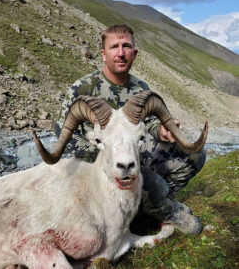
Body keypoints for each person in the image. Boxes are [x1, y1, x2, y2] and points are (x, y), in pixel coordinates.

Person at [55, 24, 206, 234]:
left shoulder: (140, 88)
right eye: (114, 47)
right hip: (97, 165)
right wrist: (104, 155)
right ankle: (157, 205)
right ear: (103, 53)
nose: (120, 53)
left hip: (133, 152)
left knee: (194, 154)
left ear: (134, 54)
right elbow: (63, 133)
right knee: (147, 182)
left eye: (126, 46)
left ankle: (149, 206)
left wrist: (159, 130)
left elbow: (147, 123)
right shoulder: (83, 88)